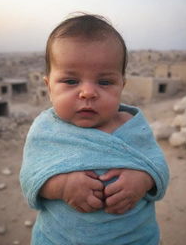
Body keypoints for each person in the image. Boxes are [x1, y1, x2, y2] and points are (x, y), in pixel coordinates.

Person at [20, 13, 169, 245]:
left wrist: (143, 180)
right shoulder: (45, 130)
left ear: (121, 86)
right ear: (49, 87)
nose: (88, 92)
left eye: (105, 82)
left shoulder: (132, 126)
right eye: (70, 81)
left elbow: (158, 167)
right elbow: (30, 179)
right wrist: (62, 186)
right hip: (60, 239)